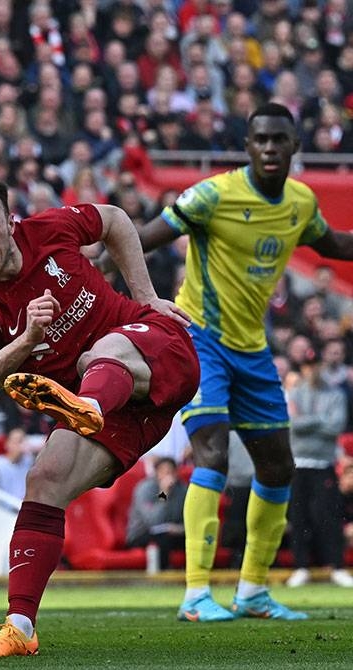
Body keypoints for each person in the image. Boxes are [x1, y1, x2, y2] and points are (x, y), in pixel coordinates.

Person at [0, 169, 199, 658]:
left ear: (10, 220)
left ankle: (90, 402)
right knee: (45, 479)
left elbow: (115, 220)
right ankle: (19, 627)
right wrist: (24, 343)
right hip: (118, 417)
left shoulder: (50, 230)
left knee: (98, 353)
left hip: (155, 350)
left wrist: (144, 295)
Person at [131, 103, 353, 621]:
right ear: (248, 147)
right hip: (199, 339)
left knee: (278, 465)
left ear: (294, 147)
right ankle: (194, 595)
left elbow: (332, 243)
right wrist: (91, 261)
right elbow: (142, 237)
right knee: (212, 453)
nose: (271, 149)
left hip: (252, 348)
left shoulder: (299, 202)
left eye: (280, 140)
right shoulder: (214, 194)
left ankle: (252, 590)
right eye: (261, 140)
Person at [284, 349, 353, 588]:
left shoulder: (335, 394)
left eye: (315, 365)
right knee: (299, 517)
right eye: (307, 365)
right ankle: (300, 567)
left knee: (329, 517)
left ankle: (336, 566)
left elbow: (336, 426)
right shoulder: (295, 393)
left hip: (323, 463)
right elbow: (294, 424)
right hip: (299, 463)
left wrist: (309, 420)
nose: (312, 370)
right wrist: (319, 419)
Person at [125, 457, 187, 570]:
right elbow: (154, 521)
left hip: (172, 532)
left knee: (190, 539)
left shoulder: (182, 490)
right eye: (164, 472)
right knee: (163, 539)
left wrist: (180, 529)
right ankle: (163, 577)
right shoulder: (145, 488)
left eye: (171, 472)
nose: (169, 476)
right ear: (157, 472)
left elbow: (185, 518)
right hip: (141, 533)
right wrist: (164, 493)